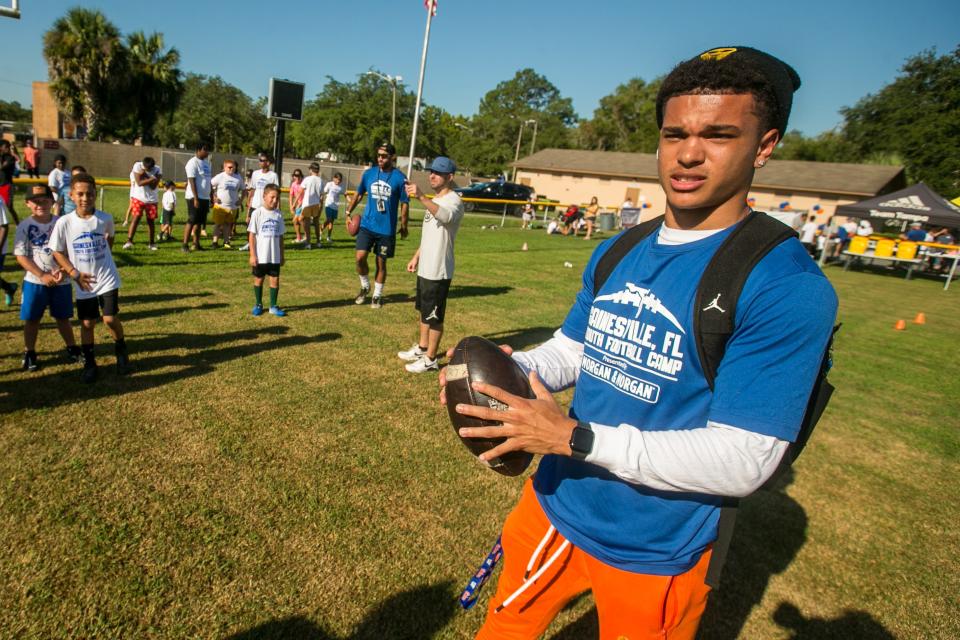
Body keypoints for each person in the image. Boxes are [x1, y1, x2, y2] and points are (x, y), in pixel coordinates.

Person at [441, 46, 837, 640]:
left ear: (764, 145)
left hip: (658, 547)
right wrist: (506, 368)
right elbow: (577, 347)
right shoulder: (620, 248)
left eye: (719, 135)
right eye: (674, 133)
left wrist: (573, 437)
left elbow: (745, 459)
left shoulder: (785, 286)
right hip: (555, 504)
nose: (689, 153)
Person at [49, 173, 132, 383]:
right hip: (82, 281)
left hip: (106, 278)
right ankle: (90, 362)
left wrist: (104, 260)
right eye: (80, 194)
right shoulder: (64, 223)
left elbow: (110, 239)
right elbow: (57, 251)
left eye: (89, 194)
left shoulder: (105, 218)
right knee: (87, 323)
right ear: (71, 195)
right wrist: (73, 273)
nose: (85, 198)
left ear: (95, 194)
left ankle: (121, 349)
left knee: (110, 319)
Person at [399, 156, 464, 373]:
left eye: (438, 173)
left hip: (439, 269)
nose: (432, 175)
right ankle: (422, 347)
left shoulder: (453, 200)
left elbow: (444, 216)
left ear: (450, 177)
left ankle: (430, 360)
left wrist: (420, 196)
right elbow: (430, 236)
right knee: (424, 311)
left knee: (434, 316)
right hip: (426, 266)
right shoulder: (434, 199)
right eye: (431, 172)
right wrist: (416, 256)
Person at [14, 184, 82, 371]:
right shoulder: (24, 226)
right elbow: (21, 256)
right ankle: (30, 352)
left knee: (63, 318)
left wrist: (63, 269)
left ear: (52, 201)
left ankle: (72, 347)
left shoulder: (62, 222)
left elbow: (70, 250)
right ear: (27, 203)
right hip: (35, 281)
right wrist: (42, 275)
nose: (40, 204)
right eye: (35, 201)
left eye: (45, 200)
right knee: (32, 318)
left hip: (61, 281)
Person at [344, 142, 409, 309]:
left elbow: (404, 203)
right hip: (367, 225)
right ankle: (365, 286)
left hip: (386, 230)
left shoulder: (400, 178)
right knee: (360, 258)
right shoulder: (369, 174)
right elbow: (358, 194)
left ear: (393, 157)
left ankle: (377, 296)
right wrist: (348, 212)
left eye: (384, 156)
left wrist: (404, 225)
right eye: (378, 155)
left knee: (381, 263)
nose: (380, 158)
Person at [247, 183, 286, 317]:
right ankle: (258, 304)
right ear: (264, 196)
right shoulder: (257, 213)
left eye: (277, 198)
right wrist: (252, 255)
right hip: (261, 255)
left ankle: (273, 306)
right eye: (272, 197)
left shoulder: (279, 215)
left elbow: (281, 237)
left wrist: (282, 254)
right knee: (259, 279)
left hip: (274, 256)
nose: (275, 201)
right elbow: (251, 235)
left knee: (274, 280)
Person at [240, 154, 279, 252]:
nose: (260, 162)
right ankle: (249, 244)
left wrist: (277, 208)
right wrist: (249, 202)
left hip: (266, 206)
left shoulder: (273, 175)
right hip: (255, 204)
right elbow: (253, 189)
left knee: (263, 227)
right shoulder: (255, 174)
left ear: (268, 163)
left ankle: (260, 245)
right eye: (260, 160)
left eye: (263, 160)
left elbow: (276, 192)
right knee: (249, 224)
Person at [123, 157, 162, 250]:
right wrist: (151, 178)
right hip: (138, 198)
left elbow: (153, 187)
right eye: (144, 168)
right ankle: (129, 241)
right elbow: (139, 183)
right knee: (135, 219)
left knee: (151, 222)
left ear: (152, 167)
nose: (145, 170)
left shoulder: (158, 169)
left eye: (148, 169)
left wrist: (145, 176)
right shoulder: (137, 166)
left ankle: (151, 243)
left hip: (152, 200)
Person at [181, 142, 212, 253]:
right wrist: (195, 198)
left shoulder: (207, 164)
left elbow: (209, 181)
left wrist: (211, 197)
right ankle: (185, 244)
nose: (207, 152)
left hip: (205, 197)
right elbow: (192, 181)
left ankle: (196, 243)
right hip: (194, 197)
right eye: (205, 149)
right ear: (198, 150)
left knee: (200, 222)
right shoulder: (192, 163)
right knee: (192, 220)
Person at [210, 159, 245, 249]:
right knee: (218, 224)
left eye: (233, 167)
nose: (232, 169)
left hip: (233, 207)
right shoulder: (220, 176)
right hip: (220, 206)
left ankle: (226, 242)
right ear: (225, 168)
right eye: (229, 167)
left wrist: (241, 200)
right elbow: (210, 185)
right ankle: (215, 242)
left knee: (228, 225)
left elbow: (244, 189)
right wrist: (214, 197)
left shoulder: (238, 177)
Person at [299, 163, 325, 249]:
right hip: (316, 204)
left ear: (311, 170)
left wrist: (295, 203)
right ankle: (318, 242)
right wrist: (321, 206)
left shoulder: (307, 179)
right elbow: (322, 196)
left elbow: (300, 192)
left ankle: (308, 243)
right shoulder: (320, 180)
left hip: (307, 204)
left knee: (306, 223)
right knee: (316, 223)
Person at [321, 172, 344, 246]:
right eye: (337, 179)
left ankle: (328, 237)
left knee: (331, 222)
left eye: (340, 180)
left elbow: (345, 194)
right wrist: (321, 197)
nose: (338, 181)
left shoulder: (340, 187)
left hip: (335, 207)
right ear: (334, 178)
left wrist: (349, 199)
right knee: (328, 219)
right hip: (328, 205)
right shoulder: (329, 184)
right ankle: (320, 230)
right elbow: (324, 192)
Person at [289, 168, 305, 244]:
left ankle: (306, 236)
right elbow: (291, 195)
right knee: (296, 222)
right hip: (297, 205)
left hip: (303, 205)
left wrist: (299, 204)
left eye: (299, 175)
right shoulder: (293, 184)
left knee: (296, 220)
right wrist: (291, 205)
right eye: (295, 175)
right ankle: (299, 237)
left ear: (301, 176)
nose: (297, 177)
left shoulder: (304, 184)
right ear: (293, 176)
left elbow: (305, 196)